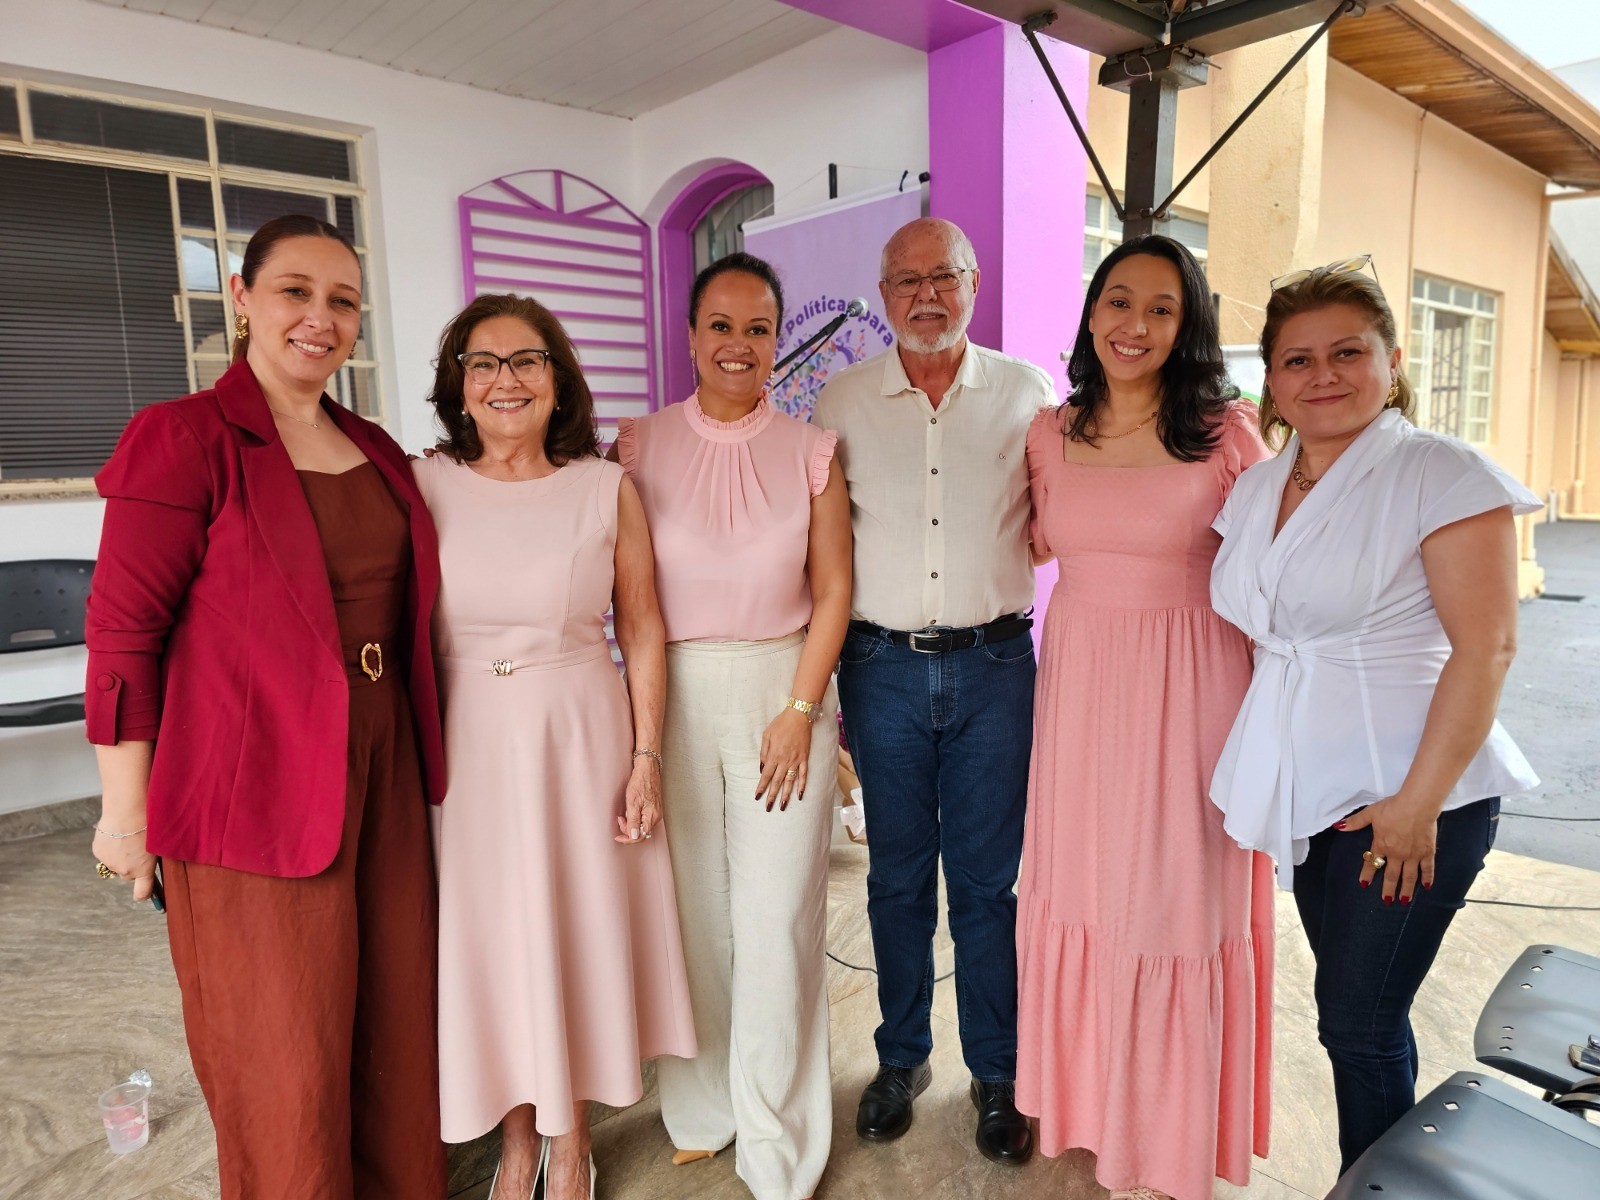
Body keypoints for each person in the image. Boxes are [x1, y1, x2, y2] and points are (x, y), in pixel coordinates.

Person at [84, 215, 448, 1199]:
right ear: (243, 298)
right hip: (251, 776)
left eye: (343, 301)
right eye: (296, 291)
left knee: (393, 1019)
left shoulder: (374, 446)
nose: (320, 318)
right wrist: (123, 816)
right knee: (283, 1043)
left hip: (385, 762)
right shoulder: (184, 439)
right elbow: (122, 637)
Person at [1209, 260, 1540, 1171]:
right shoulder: (1260, 487)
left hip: (1407, 796)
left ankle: (1380, 1188)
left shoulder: (1439, 472)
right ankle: (1381, 1183)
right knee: (1353, 1019)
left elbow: (1487, 648)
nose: (1323, 375)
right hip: (1316, 790)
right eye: (1298, 359)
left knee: (1359, 1025)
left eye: (1347, 352)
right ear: (1272, 381)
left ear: (1392, 362)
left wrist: (1416, 805)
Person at [417, 293, 696, 1200]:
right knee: (493, 939)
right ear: (460, 383)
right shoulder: (423, 484)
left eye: (527, 360)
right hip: (464, 737)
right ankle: (514, 1140)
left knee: (570, 929)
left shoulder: (603, 487)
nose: (506, 380)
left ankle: (570, 1139)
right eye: (484, 362)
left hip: (579, 735)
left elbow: (642, 626)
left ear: (558, 379)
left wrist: (647, 757)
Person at [1016, 235, 1274, 1200]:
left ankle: (1167, 1136)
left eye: (1163, 308)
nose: (1136, 325)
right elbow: (1028, 542)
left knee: (1172, 903)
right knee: (1085, 891)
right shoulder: (1049, 432)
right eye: (1119, 301)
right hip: (1081, 697)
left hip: (1194, 697)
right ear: (1092, 313)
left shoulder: (1225, 433)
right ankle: (1089, 1108)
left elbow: (1279, 576)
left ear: (1188, 325)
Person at [611, 252, 851, 1200]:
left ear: (778, 339)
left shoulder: (812, 450)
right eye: (721, 325)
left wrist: (799, 709)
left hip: (782, 693)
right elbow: (627, 598)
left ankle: (778, 1135)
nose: (739, 345)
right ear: (690, 335)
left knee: (775, 919)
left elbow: (834, 592)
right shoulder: (637, 447)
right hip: (668, 691)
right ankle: (705, 1110)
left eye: (758, 328)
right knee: (694, 918)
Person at [812, 217, 1047, 1164]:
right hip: (882, 670)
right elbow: (821, 546)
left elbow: (1060, 518)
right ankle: (901, 1058)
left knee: (988, 885)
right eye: (905, 281)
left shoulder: (1028, 394)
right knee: (897, 879)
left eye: (942, 276)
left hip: (996, 667)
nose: (925, 295)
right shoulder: (840, 402)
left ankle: (998, 1073)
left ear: (973, 283)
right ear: (882, 295)